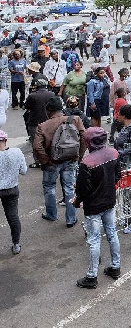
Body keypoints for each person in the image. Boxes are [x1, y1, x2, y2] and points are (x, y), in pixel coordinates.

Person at [71, 127, 121, 289]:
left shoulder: (87, 163)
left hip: (93, 206)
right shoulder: (114, 153)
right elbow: (117, 176)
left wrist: (77, 201)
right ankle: (115, 266)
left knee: (94, 240)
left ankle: (92, 276)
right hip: (109, 201)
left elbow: (83, 189)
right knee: (112, 234)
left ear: (89, 141)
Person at [33, 97, 86, 227]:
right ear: (61, 109)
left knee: (49, 187)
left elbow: (37, 147)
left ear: (48, 111)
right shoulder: (75, 120)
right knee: (69, 188)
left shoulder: (43, 126)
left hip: (52, 161)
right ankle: (71, 219)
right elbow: (84, 139)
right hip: (71, 159)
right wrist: (79, 156)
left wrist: (45, 161)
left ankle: (51, 214)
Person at [0, 130, 27, 255]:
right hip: (12, 189)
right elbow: (23, 171)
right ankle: (16, 244)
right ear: (5, 140)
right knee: (13, 217)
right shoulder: (16, 152)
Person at [24, 78, 53, 168]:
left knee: (36, 142)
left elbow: (26, 106)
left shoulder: (32, 96)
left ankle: (38, 161)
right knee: (48, 141)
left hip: (34, 121)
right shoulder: (51, 94)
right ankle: (48, 158)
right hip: (48, 121)